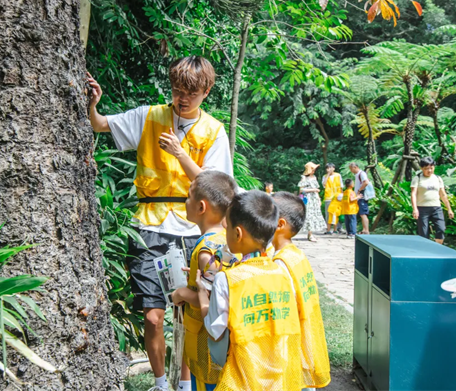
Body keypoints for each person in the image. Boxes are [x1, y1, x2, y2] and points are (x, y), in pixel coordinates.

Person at [87, 56, 232, 391]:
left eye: (191, 94)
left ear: (206, 92)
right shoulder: (149, 116)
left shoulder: (214, 131)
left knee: (187, 314)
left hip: (192, 230)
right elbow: (100, 125)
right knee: (153, 315)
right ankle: (160, 383)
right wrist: (93, 105)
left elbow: (215, 187)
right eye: (178, 90)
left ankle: (184, 384)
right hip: (148, 227)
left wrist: (181, 154)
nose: (183, 98)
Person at [197, 191, 302, 391]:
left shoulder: (226, 280)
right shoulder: (282, 272)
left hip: (242, 378)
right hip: (278, 376)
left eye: (227, 226)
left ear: (238, 233)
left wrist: (203, 295)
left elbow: (215, 331)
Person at [170, 171, 237, 391]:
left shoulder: (206, 250)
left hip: (206, 345)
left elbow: (213, 298)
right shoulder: (228, 241)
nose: (185, 201)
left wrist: (181, 294)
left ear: (201, 207)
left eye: (188, 197)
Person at [270, 192, 331, 390]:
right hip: (304, 348)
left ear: (279, 224)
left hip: (290, 354)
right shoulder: (297, 255)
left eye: (264, 215)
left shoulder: (280, 263)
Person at [411, 157, 454, 244]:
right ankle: (426, 250)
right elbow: (413, 194)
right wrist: (415, 209)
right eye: (426, 168)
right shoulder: (417, 178)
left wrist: (449, 209)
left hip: (436, 208)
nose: (429, 170)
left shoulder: (438, 178)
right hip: (422, 208)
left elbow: (443, 194)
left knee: (441, 229)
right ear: (421, 168)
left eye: (431, 168)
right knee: (423, 233)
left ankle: (437, 248)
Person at [298, 162, 326, 242]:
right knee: (309, 216)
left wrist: (319, 199)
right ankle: (310, 234)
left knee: (314, 216)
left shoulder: (314, 177)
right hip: (308, 198)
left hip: (314, 199)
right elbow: (301, 190)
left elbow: (317, 191)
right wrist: (313, 190)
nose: (314, 171)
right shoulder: (304, 178)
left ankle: (311, 234)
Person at [349, 163, 375, 235]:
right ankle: (364, 229)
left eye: (351, 169)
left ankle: (366, 230)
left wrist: (359, 190)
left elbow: (366, 182)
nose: (351, 170)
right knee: (361, 213)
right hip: (359, 196)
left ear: (355, 167)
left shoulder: (362, 173)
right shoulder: (357, 175)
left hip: (362, 196)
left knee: (363, 213)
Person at [322, 163, 344, 234]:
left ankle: (338, 228)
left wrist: (342, 196)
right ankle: (328, 229)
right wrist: (328, 175)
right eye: (327, 168)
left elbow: (341, 186)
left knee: (338, 213)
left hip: (337, 197)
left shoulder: (338, 175)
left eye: (330, 168)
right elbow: (324, 184)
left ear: (334, 168)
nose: (329, 169)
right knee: (328, 213)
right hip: (328, 197)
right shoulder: (324, 176)